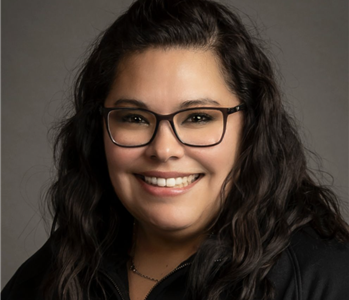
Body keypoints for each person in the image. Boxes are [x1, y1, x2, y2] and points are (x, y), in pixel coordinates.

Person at [2, 0, 349, 299]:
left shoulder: (325, 278)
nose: (164, 149)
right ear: (99, 129)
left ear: (251, 127)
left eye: (198, 117)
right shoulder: (53, 271)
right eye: (135, 118)